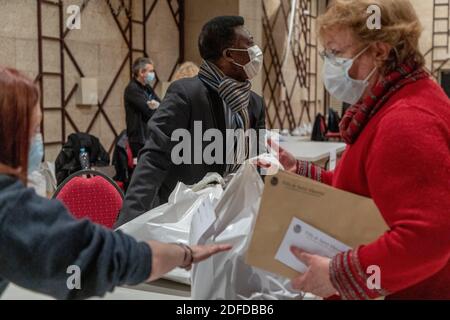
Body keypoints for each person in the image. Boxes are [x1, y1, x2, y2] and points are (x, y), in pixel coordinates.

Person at [267, 0, 450, 300]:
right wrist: (300, 173)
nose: (330, 64)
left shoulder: (407, 120)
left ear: (379, 51)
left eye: (336, 53)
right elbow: (365, 192)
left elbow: (428, 238)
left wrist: (338, 275)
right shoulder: (392, 102)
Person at [0, 67, 231, 299]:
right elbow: (104, 256)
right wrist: (185, 254)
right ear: (12, 136)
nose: (38, 137)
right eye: (36, 128)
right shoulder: (11, 209)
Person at [115, 16, 266, 227]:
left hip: (235, 213)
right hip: (185, 215)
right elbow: (154, 157)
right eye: (249, 43)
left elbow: (260, 164)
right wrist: (127, 225)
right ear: (229, 55)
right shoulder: (187, 94)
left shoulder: (254, 103)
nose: (255, 50)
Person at [124, 57, 161, 161]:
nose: (153, 74)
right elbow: (148, 111)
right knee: (140, 167)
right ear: (141, 72)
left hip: (149, 135)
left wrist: (157, 106)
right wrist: (156, 107)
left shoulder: (147, 88)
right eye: (151, 71)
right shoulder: (132, 89)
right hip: (138, 138)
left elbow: (161, 105)